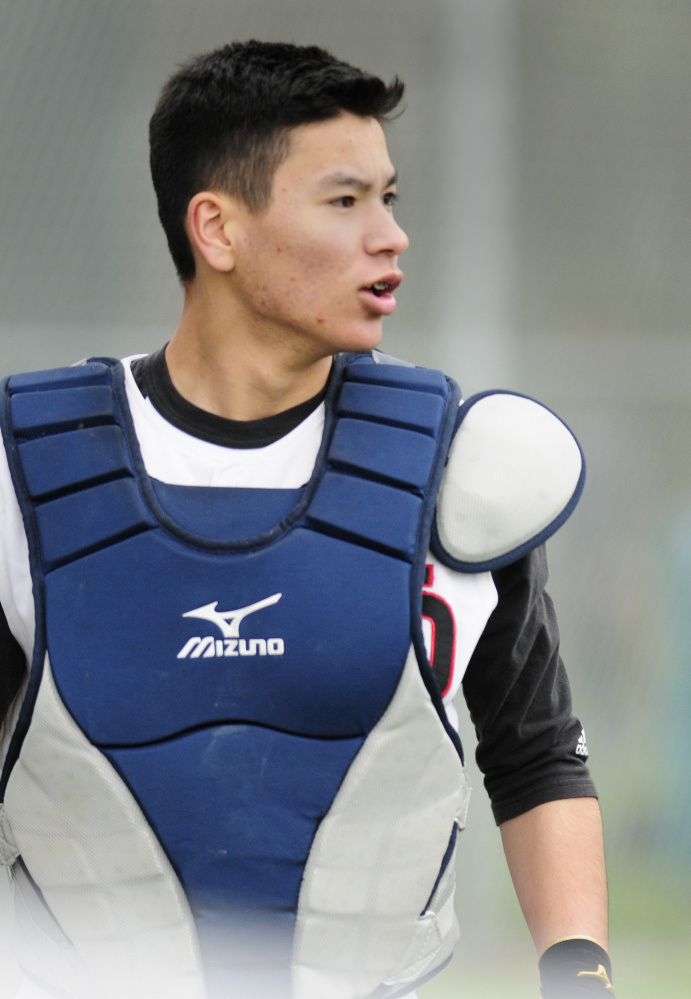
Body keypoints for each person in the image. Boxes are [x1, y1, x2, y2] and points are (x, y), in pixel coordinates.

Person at [0, 41, 614, 999]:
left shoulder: (463, 471)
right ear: (217, 228)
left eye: (390, 197)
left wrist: (579, 975)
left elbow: (535, 755)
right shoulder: (21, 480)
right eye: (344, 201)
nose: (390, 235)